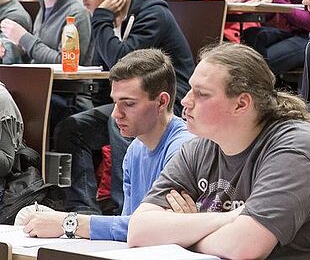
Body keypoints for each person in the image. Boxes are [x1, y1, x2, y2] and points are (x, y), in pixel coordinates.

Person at [127, 43, 310, 258]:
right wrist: (231, 218)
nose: (185, 100)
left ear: (241, 103)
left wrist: (181, 233)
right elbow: (139, 230)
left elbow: (244, 247)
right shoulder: (200, 146)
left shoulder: (297, 146)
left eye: (202, 94)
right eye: (191, 89)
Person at [58, 0, 194, 213]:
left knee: (118, 120)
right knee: (72, 128)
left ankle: (124, 212)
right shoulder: (109, 15)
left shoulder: (151, 12)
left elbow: (123, 63)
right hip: (128, 99)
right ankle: (83, 210)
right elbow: (107, 69)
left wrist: (102, 18)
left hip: (168, 102)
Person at [18, 49, 194, 241]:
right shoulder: (135, 148)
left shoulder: (183, 149)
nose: (116, 114)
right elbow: (130, 224)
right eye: (115, 102)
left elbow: (148, 229)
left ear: (161, 102)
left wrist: (68, 222)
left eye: (129, 104)